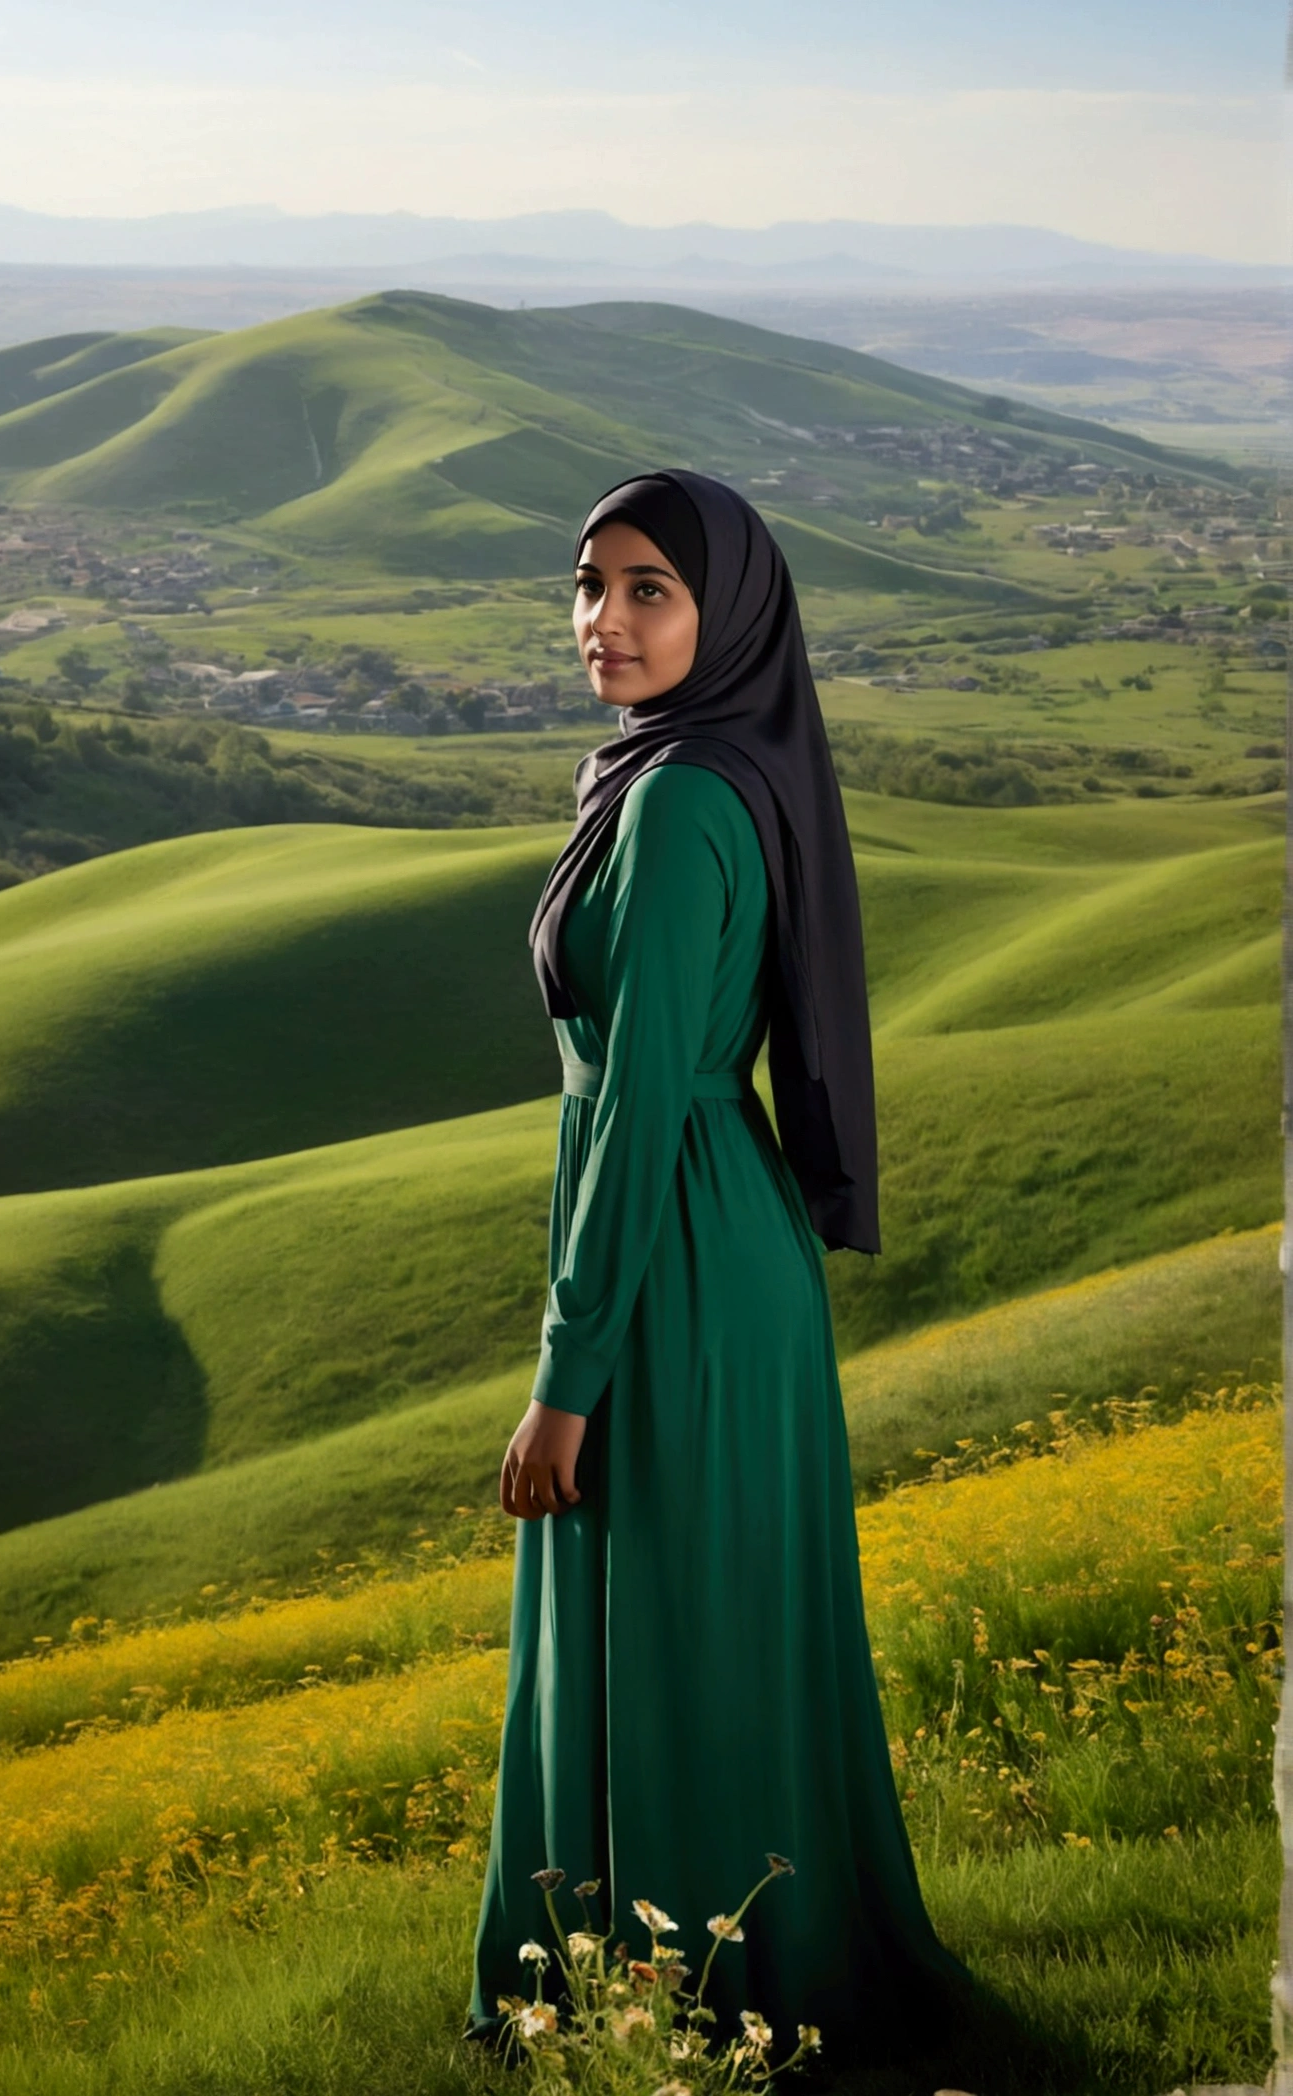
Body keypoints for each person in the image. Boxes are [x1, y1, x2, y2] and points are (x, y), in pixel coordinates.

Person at [468, 470, 967, 2061]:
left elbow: (630, 1107)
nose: (602, 622)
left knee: (673, 1631)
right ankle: (728, 1984)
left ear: (727, 612)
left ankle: (687, 2007)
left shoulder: (683, 799)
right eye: (587, 586)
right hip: (714, 1239)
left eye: (647, 592)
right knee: (710, 1627)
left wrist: (565, 1376)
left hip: (672, 1251)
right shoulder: (687, 769)